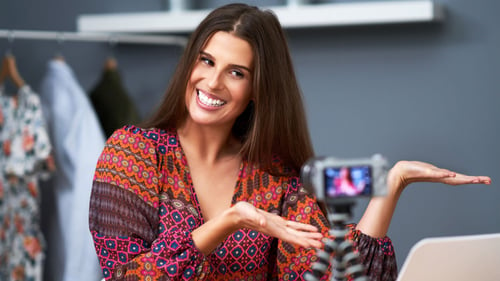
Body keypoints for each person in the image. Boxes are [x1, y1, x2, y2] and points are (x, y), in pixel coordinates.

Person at [88, 3, 491, 281]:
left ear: (258, 90)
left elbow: (337, 272)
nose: (212, 82)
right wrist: (232, 220)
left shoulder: (274, 177)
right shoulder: (133, 153)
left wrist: (394, 183)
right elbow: (127, 276)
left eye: (236, 72)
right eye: (207, 61)